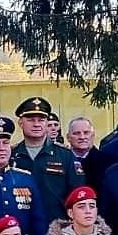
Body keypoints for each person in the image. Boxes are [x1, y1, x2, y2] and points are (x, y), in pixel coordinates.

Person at [10, 96, 84, 224]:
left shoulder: (65, 155)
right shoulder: (11, 155)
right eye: (31, 120)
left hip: (57, 227)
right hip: (20, 228)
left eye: (41, 120)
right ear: (20, 123)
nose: (36, 124)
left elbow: (77, 194)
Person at [65, 116, 113, 191]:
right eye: (76, 133)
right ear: (68, 137)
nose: (82, 137)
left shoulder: (107, 162)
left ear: (93, 135)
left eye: (86, 133)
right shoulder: (61, 160)